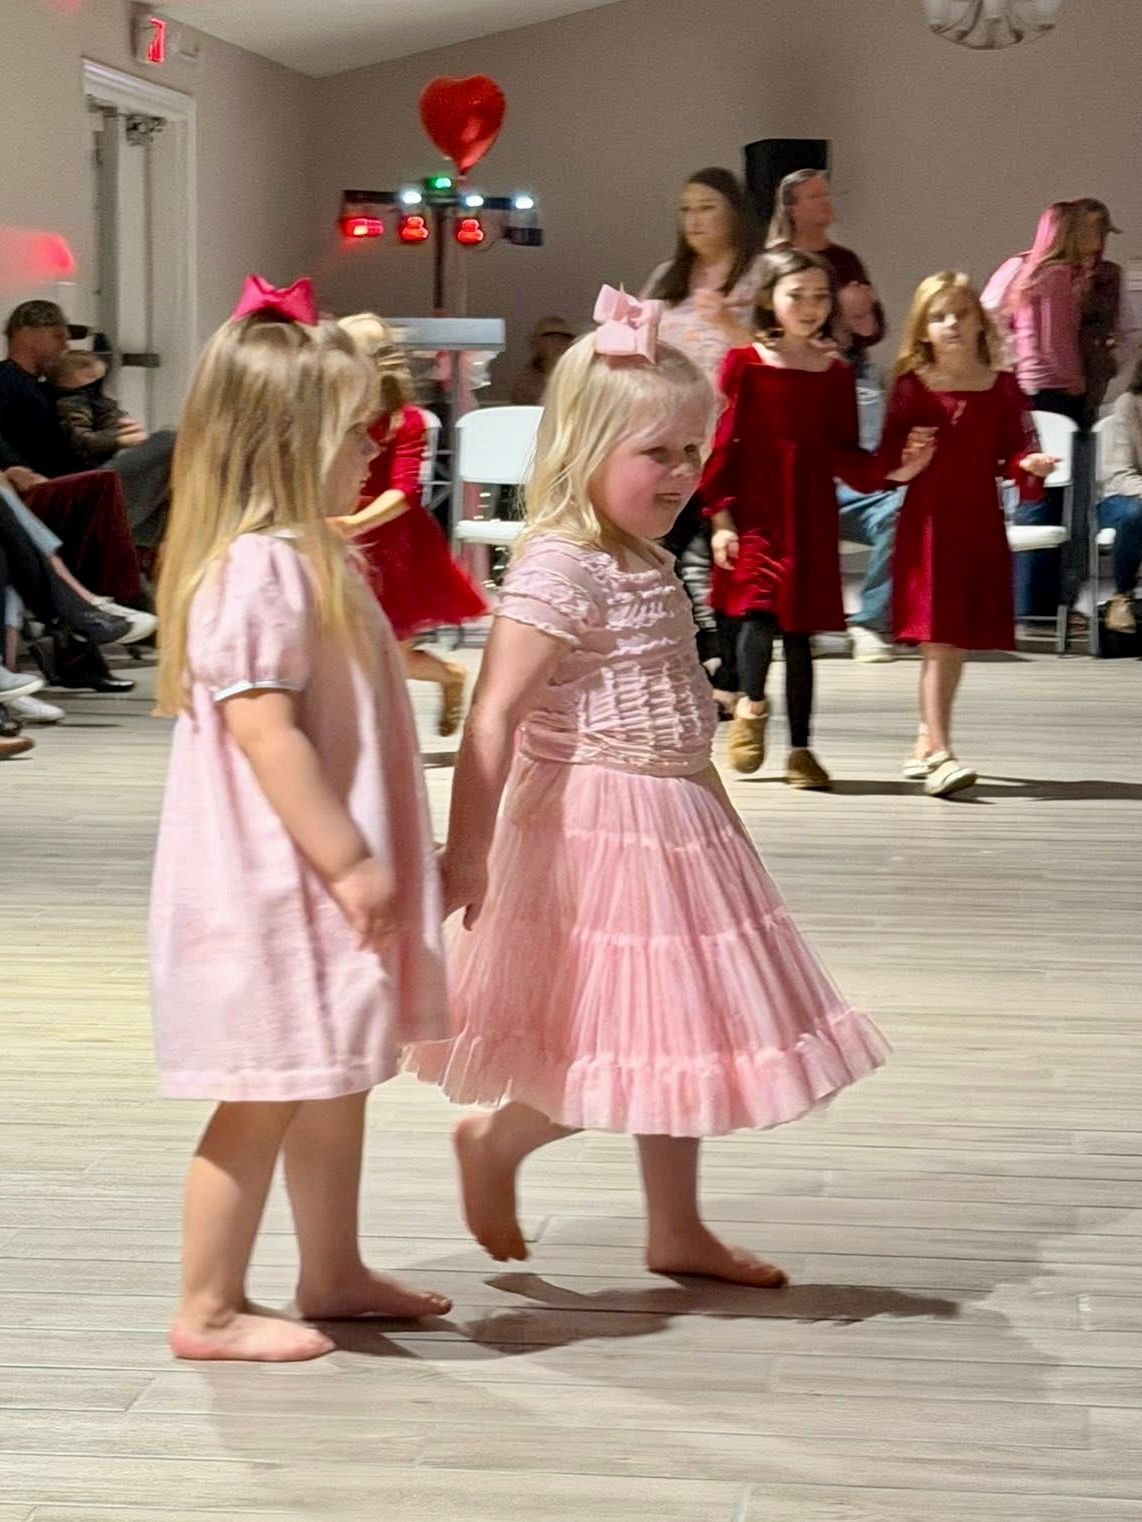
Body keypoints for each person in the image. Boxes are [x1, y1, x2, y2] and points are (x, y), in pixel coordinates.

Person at [404, 289, 890, 1286]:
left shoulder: (641, 555)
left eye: (687, 452)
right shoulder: (560, 567)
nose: (678, 475)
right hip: (596, 826)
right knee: (610, 1029)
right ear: (583, 449)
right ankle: (498, 1140)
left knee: (683, 1030)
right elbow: (492, 716)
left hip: (677, 810)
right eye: (654, 455)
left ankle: (676, 1227)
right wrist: (468, 852)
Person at [149, 277, 451, 1363]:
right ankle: (208, 1305)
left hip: (315, 881)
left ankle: (331, 1265)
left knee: (332, 1076)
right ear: (284, 444)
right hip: (277, 885)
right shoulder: (260, 573)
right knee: (264, 1093)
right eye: (351, 433)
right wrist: (349, 857)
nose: (372, 450)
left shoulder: (311, 556)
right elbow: (267, 734)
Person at [698, 249, 931, 789]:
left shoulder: (834, 375)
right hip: (756, 515)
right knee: (756, 615)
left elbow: (845, 454)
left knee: (800, 636)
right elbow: (722, 451)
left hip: (809, 519)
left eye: (819, 297)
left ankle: (802, 748)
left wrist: (899, 468)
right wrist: (721, 520)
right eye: (795, 295)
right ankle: (752, 711)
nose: (808, 307)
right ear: (769, 301)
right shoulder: (745, 365)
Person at [882, 273, 1055, 798]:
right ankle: (939, 751)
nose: (952, 323)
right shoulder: (914, 386)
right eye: (939, 315)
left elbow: (1016, 450)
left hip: (978, 523)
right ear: (924, 328)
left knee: (953, 646)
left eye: (961, 312)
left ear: (979, 320)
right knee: (938, 641)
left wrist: (1033, 463)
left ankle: (924, 738)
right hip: (930, 525)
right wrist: (909, 462)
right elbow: (888, 465)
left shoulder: (1002, 387)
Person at [333, 314, 488, 736]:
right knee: (345, 649)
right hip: (340, 538)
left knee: (390, 655)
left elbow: (402, 493)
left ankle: (450, 676)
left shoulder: (407, 421)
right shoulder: (330, 413)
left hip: (391, 545)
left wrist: (350, 523)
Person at [767, 168, 898, 664]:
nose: (828, 202)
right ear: (792, 207)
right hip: (791, 392)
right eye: (815, 196)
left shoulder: (844, 259)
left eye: (819, 297)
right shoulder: (770, 262)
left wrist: (857, 315)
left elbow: (871, 328)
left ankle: (869, 623)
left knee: (899, 507)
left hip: (846, 377)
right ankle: (795, 621)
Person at [642, 168, 766, 683]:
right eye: (686, 209)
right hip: (670, 434)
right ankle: (696, 647)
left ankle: (734, 670)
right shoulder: (667, 277)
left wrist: (732, 326)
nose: (694, 219)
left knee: (728, 555)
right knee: (660, 548)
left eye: (707, 207)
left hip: (736, 439)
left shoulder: (761, 275)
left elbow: (780, 350)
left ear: (734, 213)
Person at [0, 301, 174, 548]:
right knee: (169, 441)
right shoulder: (6, 381)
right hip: (60, 496)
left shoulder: (50, 389)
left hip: (80, 490)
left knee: (170, 508)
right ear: (26, 334)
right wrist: (11, 470)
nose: (65, 346)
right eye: (57, 336)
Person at [1001, 203, 1087, 623]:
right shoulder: (1056, 276)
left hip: (1030, 388)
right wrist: (1075, 383)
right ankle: (1036, 606)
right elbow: (1056, 342)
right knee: (1046, 498)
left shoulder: (1026, 271)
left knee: (1035, 492)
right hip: (1053, 392)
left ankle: (1029, 604)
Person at [1097, 354, 1142, 636]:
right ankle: (1122, 595)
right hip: (1120, 496)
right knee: (1136, 513)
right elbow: (1120, 474)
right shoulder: (1129, 405)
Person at [49, 350, 141, 467]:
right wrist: (120, 439)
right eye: (90, 377)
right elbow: (82, 442)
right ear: (65, 381)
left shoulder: (94, 399)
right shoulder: (71, 404)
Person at [509, 317, 575, 405]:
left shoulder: (583, 375)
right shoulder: (525, 384)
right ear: (536, 342)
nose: (558, 342)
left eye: (565, 337)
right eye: (550, 336)